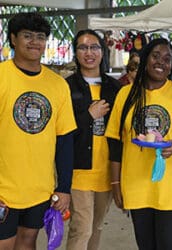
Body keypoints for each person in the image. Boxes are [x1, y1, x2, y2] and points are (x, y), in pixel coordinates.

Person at [105, 38, 172, 250]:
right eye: (155, 56)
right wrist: (115, 183)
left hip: (171, 186)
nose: (161, 62)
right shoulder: (125, 95)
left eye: (167, 59)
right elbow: (115, 143)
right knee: (146, 245)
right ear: (145, 59)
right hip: (137, 184)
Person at [0, 12, 76, 249]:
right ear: (13, 39)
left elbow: (64, 139)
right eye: (27, 36)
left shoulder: (57, 85)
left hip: (39, 188)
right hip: (3, 188)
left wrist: (63, 188)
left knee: (28, 241)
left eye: (40, 37)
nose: (34, 42)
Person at [65, 29, 120, 250]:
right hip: (79, 171)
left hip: (105, 171)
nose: (89, 52)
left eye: (94, 47)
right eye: (83, 47)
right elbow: (62, 131)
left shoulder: (114, 88)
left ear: (102, 51)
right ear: (76, 53)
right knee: (82, 228)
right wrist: (88, 116)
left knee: (96, 227)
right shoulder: (67, 87)